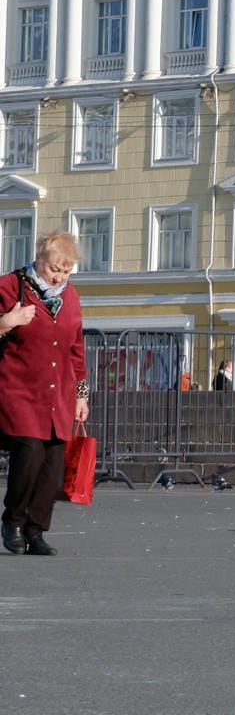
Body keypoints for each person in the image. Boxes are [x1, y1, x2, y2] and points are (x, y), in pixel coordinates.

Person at [0, 233, 89, 557]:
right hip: (19, 389)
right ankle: (13, 521)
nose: (59, 277)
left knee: (52, 468)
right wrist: (6, 322)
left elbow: (77, 350)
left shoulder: (71, 298)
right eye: (54, 269)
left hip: (59, 394)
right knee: (29, 454)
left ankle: (36, 531)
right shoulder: (11, 286)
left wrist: (82, 395)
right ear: (39, 259)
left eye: (66, 271)